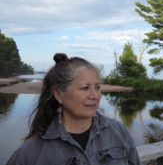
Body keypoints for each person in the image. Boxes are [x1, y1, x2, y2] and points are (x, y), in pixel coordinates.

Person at [6, 53, 140, 165]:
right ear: (59, 95)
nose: (94, 96)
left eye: (97, 87)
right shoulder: (32, 153)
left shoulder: (118, 132)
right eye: (85, 88)